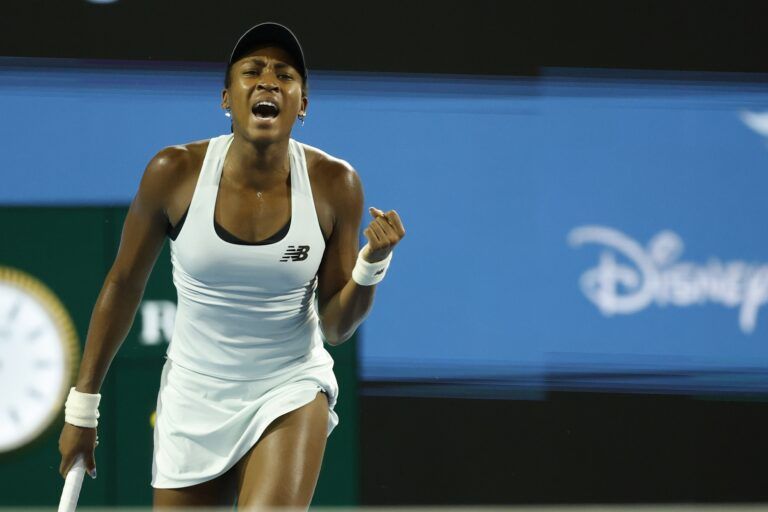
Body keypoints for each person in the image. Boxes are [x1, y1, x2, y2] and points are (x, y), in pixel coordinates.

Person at [58, 22, 405, 509]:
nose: (268, 82)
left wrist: (371, 265)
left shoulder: (335, 184)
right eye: (252, 72)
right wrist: (83, 409)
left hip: (289, 385)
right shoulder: (173, 173)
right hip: (193, 395)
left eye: (285, 75)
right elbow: (122, 286)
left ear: (302, 104)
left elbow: (336, 325)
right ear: (227, 98)